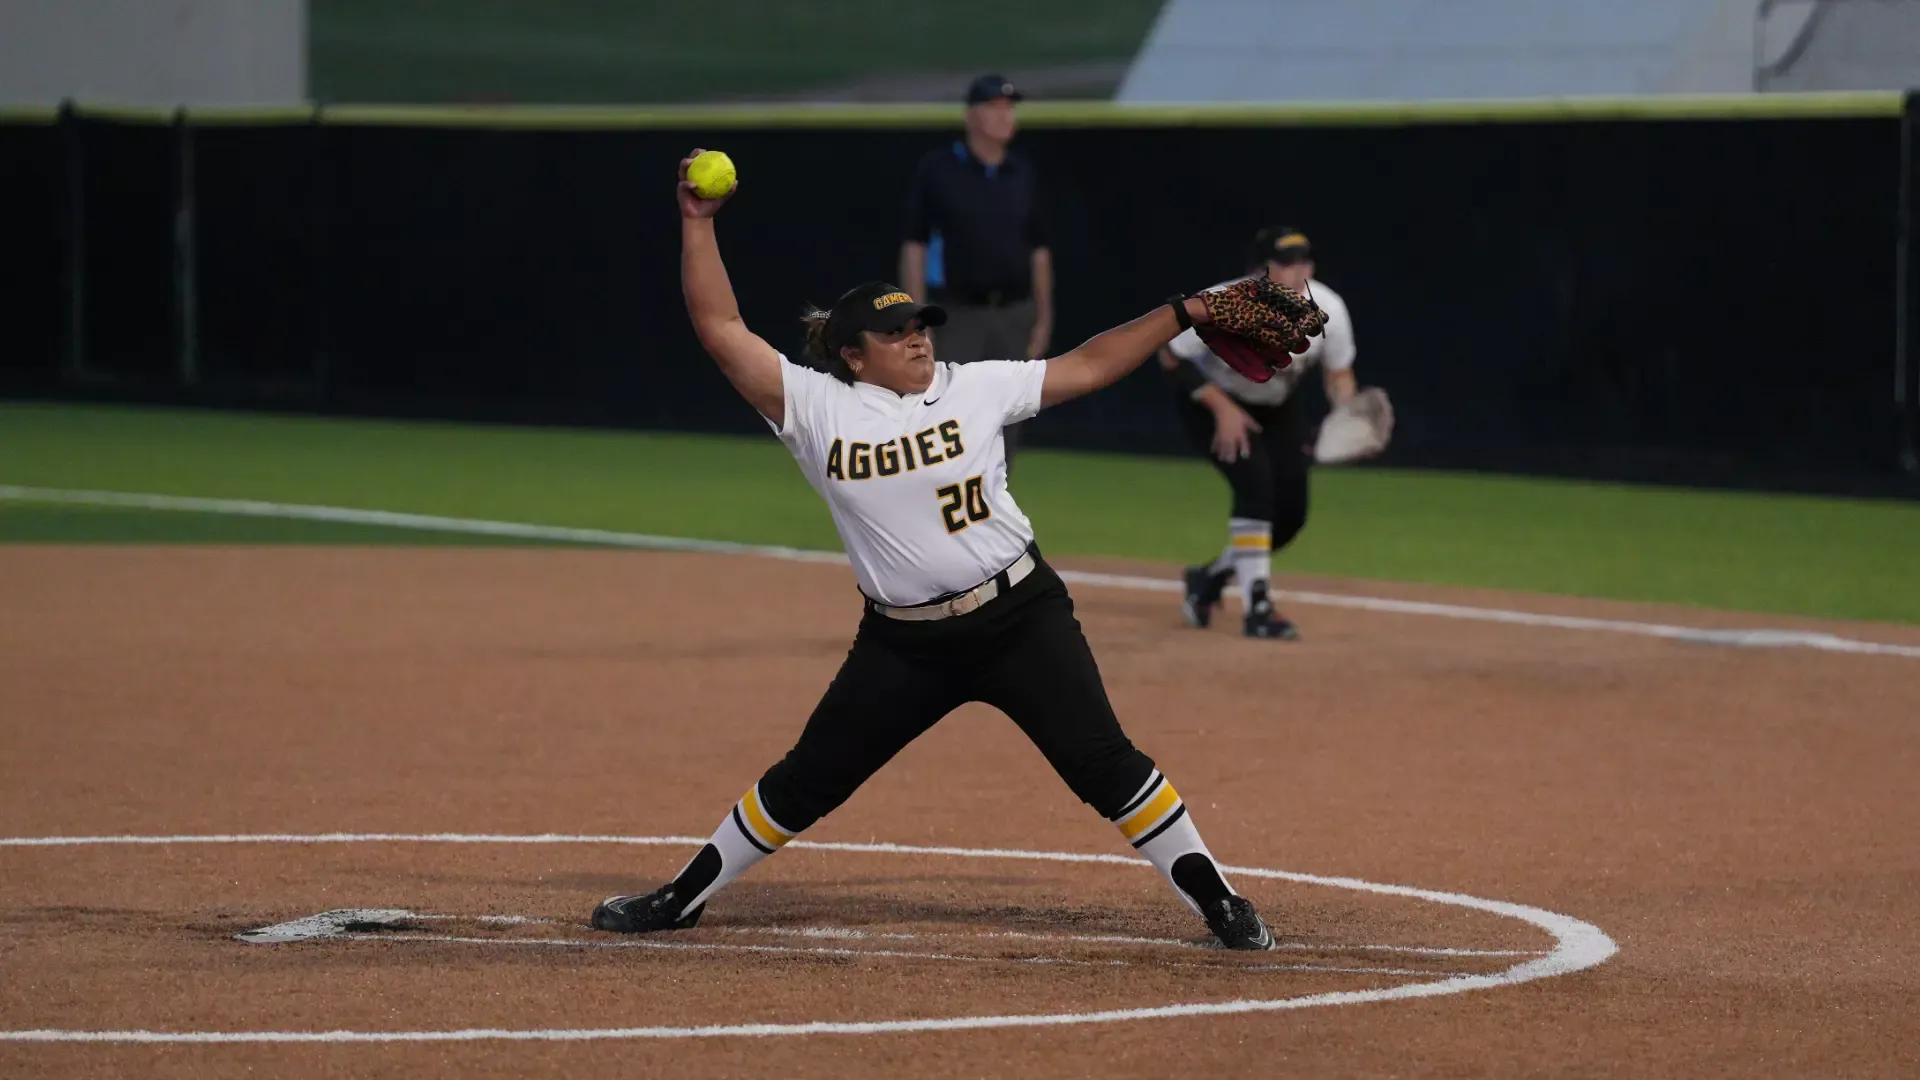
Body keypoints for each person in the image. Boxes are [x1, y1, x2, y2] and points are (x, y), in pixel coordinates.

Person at [589, 150, 1321, 951]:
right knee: (809, 778)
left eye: (920, 326)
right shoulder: (815, 408)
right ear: (852, 354)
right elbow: (720, 327)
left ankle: (1219, 902)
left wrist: (1182, 311)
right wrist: (697, 224)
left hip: (1020, 617)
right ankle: (683, 897)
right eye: (894, 332)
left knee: (1104, 764)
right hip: (904, 643)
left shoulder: (973, 385)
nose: (917, 340)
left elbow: (1089, 363)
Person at [1160, 227, 1358, 640]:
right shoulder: (1226, 301)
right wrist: (1222, 409)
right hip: (1214, 403)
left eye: (1304, 261)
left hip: (1277, 406)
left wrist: (1347, 413)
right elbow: (1170, 355)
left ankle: (1209, 579)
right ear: (1259, 269)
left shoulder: (1330, 309)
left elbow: (1339, 375)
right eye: (1285, 263)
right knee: (1255, 485)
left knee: (1289, 517)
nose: (1297, 271)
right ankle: (1258, 607)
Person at [897, 74, 1052, 470]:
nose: (1006, 117)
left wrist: (1043, 316)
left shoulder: (1022, 173)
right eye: (995, 109)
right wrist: (917, 316)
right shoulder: (940, 169)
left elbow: (1038, 249)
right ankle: (941, 509)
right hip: (957, 316)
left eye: (1009, 109)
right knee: (949, 417)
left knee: (1009, 420)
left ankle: (991, 511)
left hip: (1013, 314)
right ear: (971, 116)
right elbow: (915, 245)